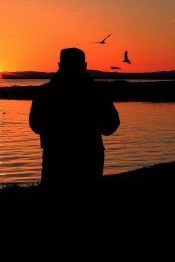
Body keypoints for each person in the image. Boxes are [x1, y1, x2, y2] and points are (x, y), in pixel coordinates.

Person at [29, 47, 120, 186]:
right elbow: (111, 125)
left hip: (56, 157)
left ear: (60, 65)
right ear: (84, 66)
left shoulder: (45, 92)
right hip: (89, 157)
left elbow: (35, 125)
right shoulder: (97, 92)